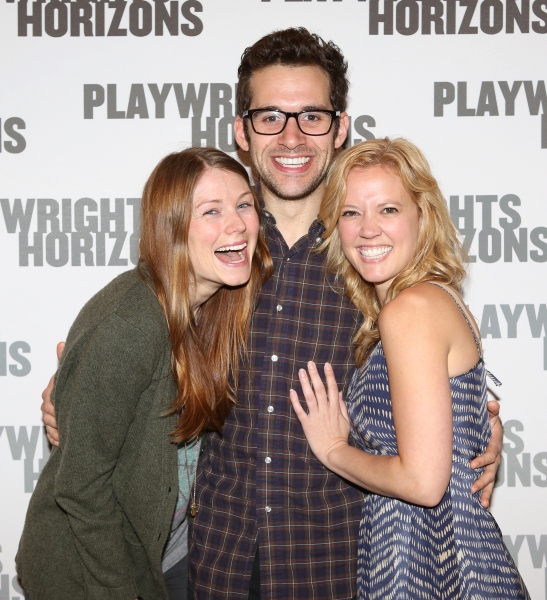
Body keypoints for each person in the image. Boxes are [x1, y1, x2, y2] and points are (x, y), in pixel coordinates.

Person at [41, 29, 503, 600]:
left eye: (311, 116)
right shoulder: (213, 248)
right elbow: (129, 355)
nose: (291, 135)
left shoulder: (368, 253)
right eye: (269, 117)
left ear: (339, 129)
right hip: (215, 562)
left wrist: (475, 430)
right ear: (241, 129)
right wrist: (71, 399)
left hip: (337, 565)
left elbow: (432, 379)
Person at [17, 147, 271, 600]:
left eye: (244, 205)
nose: (236, 225)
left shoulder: (213, 308)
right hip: (87, 574)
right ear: (170, 227)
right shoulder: (131, 323)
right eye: (211, 211)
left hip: (165, 556)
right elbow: (80, 487)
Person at [290, 137, 529, 599]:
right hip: (450, 556)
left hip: (429, 567)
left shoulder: (410, 311)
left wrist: (334, 449)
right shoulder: (432, 301)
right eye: (351, 212)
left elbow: (423, 483)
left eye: (389, 210)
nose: (367, 229)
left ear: (423, 217)